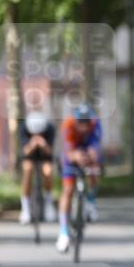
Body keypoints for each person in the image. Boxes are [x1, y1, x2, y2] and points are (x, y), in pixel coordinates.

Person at [55, 104, 103, 253]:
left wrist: (92, 158)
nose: (83, 127)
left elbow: (95, 149)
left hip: (88, 149)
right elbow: (68, 153)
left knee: (94, 170)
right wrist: (75, 157)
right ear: (75, 121)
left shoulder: (95, 125)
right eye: (80, 123)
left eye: (86, 123)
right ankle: (63, 233)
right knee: (68, 190)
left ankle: (91, 202)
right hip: (72, 152)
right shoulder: (68, 125)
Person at [19, 110, 57, 225]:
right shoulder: (24, 128)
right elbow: (25, 151)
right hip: (29, 156)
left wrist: (43, 144)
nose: (37, 135)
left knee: (48, 171)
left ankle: (49, 204)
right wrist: (32, 144)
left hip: (45, 156)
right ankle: (25, 208)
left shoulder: (50, 128)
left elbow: (50, 151)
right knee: (28, 169)